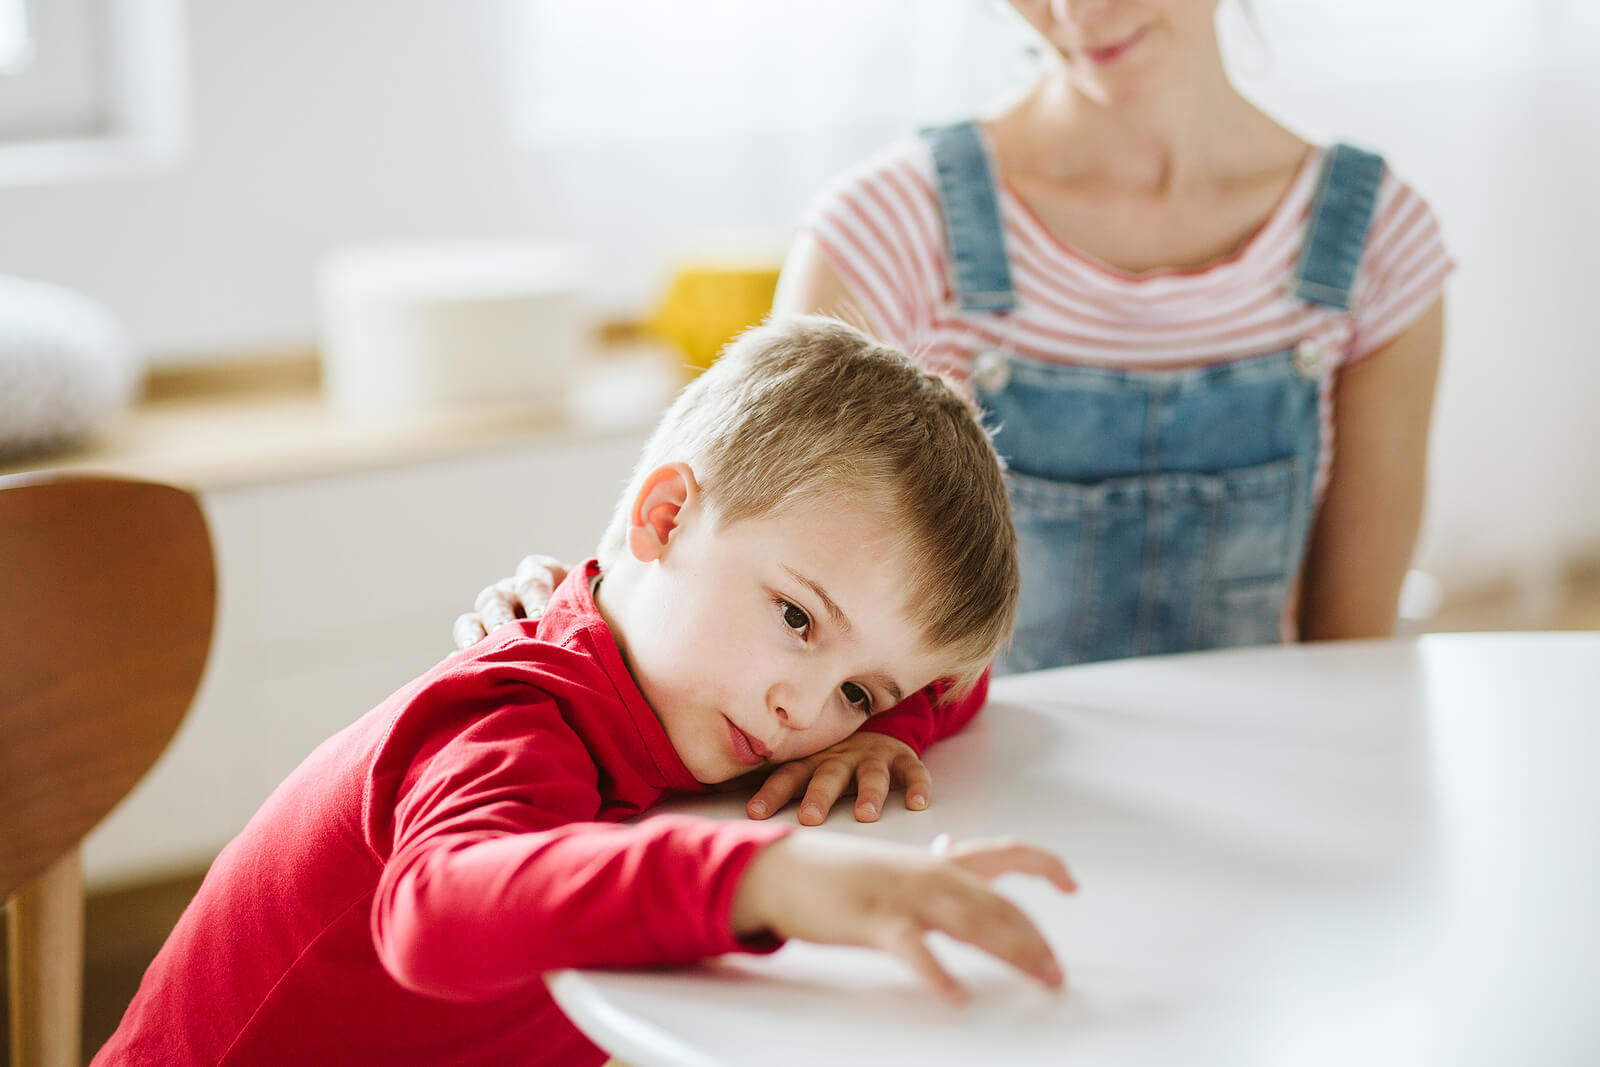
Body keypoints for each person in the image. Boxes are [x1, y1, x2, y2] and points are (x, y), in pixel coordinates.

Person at [457, 0, 1451, 828]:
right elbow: (711, 540)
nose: (1074, 12)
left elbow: (1346, 660)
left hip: (1251, 803)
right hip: (953, 813)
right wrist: (559, 605)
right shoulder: (891, 224)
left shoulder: (1376, 242)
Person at [94, 317, 1073, 1067]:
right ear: (665, 514)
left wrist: (883, 718)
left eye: (855, 687)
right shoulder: (516, 711)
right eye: (797, 618)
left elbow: (955, 673)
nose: (802, 713)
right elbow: (436, 910)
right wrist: (765, 877)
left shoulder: (709, 690)